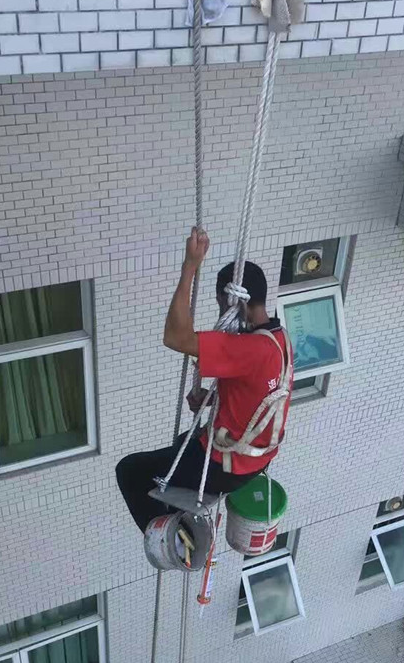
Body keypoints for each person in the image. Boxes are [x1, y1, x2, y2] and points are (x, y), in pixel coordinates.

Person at [116, 227, 292, 534]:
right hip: (254, 460)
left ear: (234, 302)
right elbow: (259, 393)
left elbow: (176, 337)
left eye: (221, 304)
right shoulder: (279, 340)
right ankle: (179, 512)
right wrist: (210, 401)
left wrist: (190, 266)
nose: (221, 313)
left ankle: (171, 543)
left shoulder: (249, 349)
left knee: (131, 471)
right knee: (181, 443)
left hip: (225, 466)